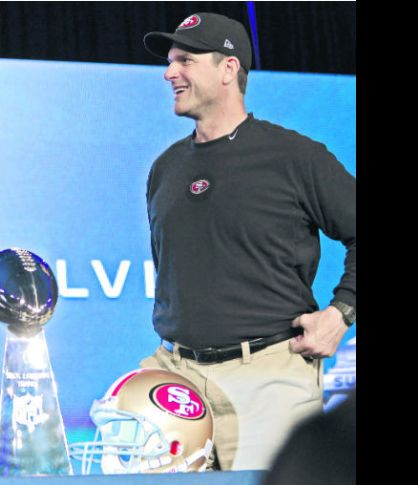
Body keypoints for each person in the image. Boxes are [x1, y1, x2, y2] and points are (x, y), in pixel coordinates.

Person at [139, 12, 356, 471]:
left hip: (269, 376)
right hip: (175, 378)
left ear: (228, 68)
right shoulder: (164, 169)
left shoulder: (296, 157)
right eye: (170, 61)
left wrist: (342, 312)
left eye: (185, 60)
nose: (169, 72)